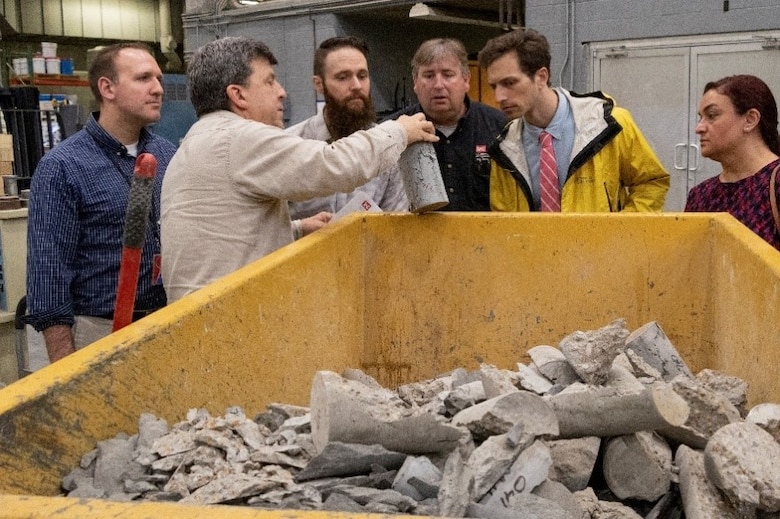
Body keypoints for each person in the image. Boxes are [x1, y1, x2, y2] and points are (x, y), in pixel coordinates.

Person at [160, 36, 437, 303]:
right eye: (269, 81)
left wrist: (296, 229)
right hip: (233, 316)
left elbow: (226, 236)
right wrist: (399, 131)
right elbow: (333, 165)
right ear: (238, 95)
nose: (282, 92)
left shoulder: (194, 144)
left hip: (202, 318)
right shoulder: (241, 138)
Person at [26, 42, 176, 362]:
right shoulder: (63, 167)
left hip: (165, 321)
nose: (158, 89)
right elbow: (49, 275)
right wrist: (65, 370)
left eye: (159, 79)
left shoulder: (167, 155)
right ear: (107, 88)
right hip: (97, 330)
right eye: (143, 78)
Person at [477, 29, 670, 212]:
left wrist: (620, 231)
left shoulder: (609, 124)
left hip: (602, 246)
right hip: (535, 247)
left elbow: (652, 182)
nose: (499, 96)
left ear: (541, 77)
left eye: (510, 83)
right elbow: (503, 218)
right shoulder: (504, 148)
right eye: (494, 86)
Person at [287, 36, 408, 225]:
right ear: (319, 84)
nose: (356, 86)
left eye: (362, 76)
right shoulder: (291, 144)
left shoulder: (389, 147)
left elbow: (395, 226)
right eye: (343, 77)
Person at [388, 38, 508, 211]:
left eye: (448, 75)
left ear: (466, 80)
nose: (438, 85)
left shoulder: (499, 128)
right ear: (415, 81)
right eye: (429, 76)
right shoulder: (394, 132)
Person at [685, 75, 780, 250]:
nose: (699, 128)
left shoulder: (775, 183)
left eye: (712, 115)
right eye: (701, 118)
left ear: (750, 119)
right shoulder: (700, 195)